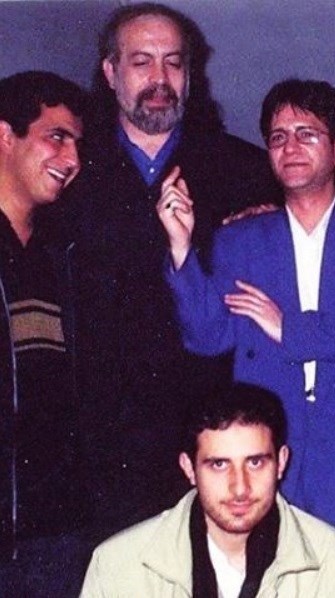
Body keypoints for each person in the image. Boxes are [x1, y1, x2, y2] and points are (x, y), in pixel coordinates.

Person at [62, 2, 281, 537]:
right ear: (111, 72)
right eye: (142, 62)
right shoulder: (69, 170)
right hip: (97, 436)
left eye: (174, 62)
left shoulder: (245, 171)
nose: (160, 79)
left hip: (209, 426)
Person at [158, 78, 335, 532]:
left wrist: (288, 328)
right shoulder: (240, 239)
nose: (289, 147)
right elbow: (209, 336)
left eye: (306, 134)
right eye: (278, 137)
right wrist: (181, 248)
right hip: (269, 439)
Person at [80, 383, 335, 597]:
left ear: (281, 462)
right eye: (219, 465)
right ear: (189, 468)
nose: (240, 487)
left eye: (255, 462)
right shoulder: (118, 566)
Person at [0, 71, 90, 597]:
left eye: (77, 143)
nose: (72, 158)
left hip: (55, 531)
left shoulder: (63, 255)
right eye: (57, 136)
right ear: (5, 136)